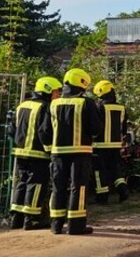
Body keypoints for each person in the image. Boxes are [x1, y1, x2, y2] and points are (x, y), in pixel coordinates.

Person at [39, 68, 102, 235]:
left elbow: (44, 131)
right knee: (78, 187)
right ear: (82, 83)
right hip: (80, 152)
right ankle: (76, 225)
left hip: (57, 153)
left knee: (58, 187)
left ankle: (56, 225)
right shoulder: (86, 103)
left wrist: (49, 150)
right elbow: (96, 129)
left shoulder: (53, 104)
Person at [8, 76, 62, 231]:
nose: (57, 95)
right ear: (47, 91)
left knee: (22, 182)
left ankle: (15, 218)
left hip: (20, 152)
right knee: (36, 184)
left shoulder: (22, 106)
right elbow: (45, 131)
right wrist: (51, 150)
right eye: (56, 92)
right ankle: (31, 220)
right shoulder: (46, 107)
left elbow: (12, 130)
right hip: (38, 153)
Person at [91, 80, 129, 204]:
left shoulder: (98, 107)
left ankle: (102, 198)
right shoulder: (121, 108)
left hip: (99, 146)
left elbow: (94, 126)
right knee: (116, 169)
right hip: (116, 145)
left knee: (99, 171)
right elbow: (124, 128)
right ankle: (122, 189)